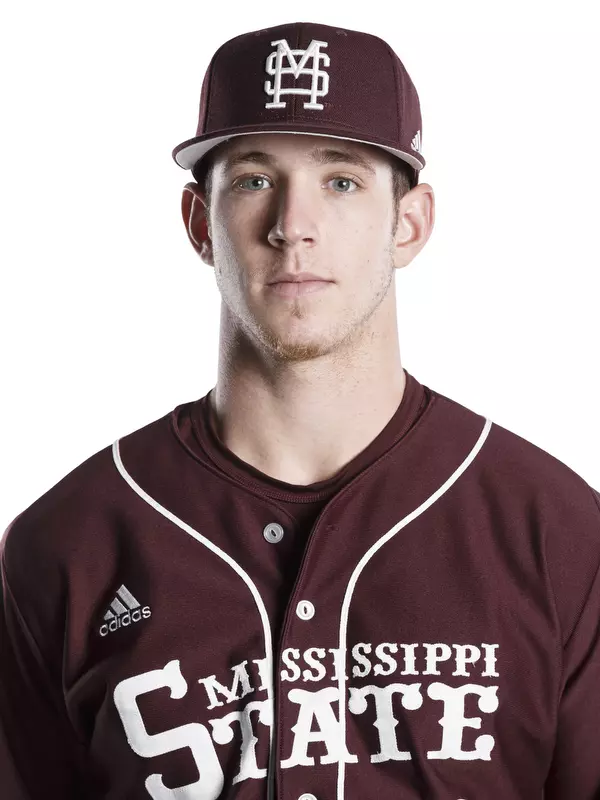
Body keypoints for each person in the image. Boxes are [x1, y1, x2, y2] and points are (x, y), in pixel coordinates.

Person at [1, 19, 599, 800]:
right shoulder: (67, 545)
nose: (293, 227)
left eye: (341, 181)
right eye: (254, 180)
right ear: (200, 224)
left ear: (409, 224)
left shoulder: (556, 532)